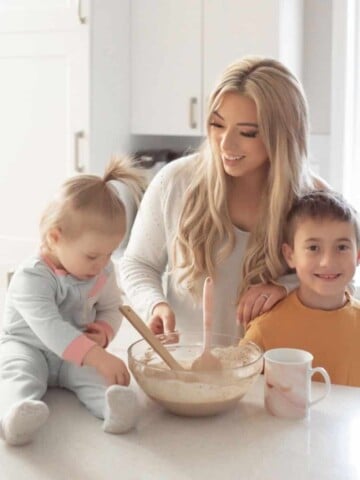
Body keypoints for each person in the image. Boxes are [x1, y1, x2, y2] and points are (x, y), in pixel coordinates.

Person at [120, 56, 325, 337]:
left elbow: (343, 283)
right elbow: (137, 264)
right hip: (185, 370)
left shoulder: (316, 201)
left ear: (283, 135)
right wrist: (154, 306)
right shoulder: (175, 182)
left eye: (248, 132)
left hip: (273, 374)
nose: (226, 144)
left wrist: (285, 287)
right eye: (217, 125)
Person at [0, 156, 146, 446]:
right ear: (55, 238)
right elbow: (51, 327)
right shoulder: (31, 277)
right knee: (18, 372)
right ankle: (14, 415)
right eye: (93, 255)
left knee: (95, 378)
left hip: (75, 352)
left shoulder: (102, 268)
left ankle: (113, 409)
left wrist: (104, 331)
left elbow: (111, 307)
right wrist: (97, 355)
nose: (102, 264)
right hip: (28, 346)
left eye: (110, 253)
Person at [243, 190, 360, 386]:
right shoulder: (264, 331)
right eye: (313, 248)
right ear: (290, 255)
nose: (327, 262)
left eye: (341, 247)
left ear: (357, 256)